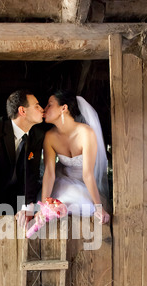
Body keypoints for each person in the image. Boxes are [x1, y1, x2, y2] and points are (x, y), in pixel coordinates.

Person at [0, 89, 45, 230]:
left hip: (18, 197)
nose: (42, 109)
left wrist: (27, 207)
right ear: (22, 111)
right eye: (37, 106)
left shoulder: (37, 135)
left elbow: (31, 175)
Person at [41, 90, 110, 224]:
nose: (44, 109)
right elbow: (49, 173)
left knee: (85, 205)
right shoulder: (49, 136)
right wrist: (44, 205)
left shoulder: (86, 133)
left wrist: (99, 207)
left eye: (49, 105)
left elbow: (88, 174)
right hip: (64, 180)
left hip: (87, 182)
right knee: (59, 202)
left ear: (64, 108)